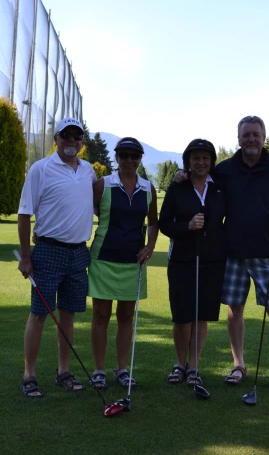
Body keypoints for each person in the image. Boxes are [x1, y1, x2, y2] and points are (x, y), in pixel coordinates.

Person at [216, 116, 269, 397]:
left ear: (263, 138)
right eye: (246, 135)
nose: (251, 139)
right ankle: (238, 365)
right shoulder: (225, 169)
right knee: (234, 308)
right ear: (238, 138)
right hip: (235, 252)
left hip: (268, 252)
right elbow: (201, 184)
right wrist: (182, 175)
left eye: (256, 134)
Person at [17, 117, 96, 398]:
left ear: (82, 142)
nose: (71, 141)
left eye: (77, 136)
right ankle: (29, 374)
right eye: (66, 136)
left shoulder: (88, 171)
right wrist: (26, 256)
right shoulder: (41, 169)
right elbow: (25, 213)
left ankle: (63, 371)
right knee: (39, 314)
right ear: (56, 139)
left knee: (68, 316)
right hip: (48, 250)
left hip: (78, 253)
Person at [88, 137, 158, 390]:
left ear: (140, 159)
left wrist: (150, 246)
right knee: (101, 316)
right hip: (103, 258)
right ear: (116, 157)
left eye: (134, 156)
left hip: (133, 260)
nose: (129, 160)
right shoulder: (102, 184)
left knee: (126, 317)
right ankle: (99, 370)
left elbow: (152, 221)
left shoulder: (148, 188)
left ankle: (121, 369)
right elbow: (88, 210)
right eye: (124, 155)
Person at [158, 139, 226, 387]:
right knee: (182, 316)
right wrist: (186, 227)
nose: (201, 162)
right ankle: (180, 363)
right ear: (188, 161)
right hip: (182, 260)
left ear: (211, 161)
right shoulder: (178, 187)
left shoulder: (219, 186)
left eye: (205, 158)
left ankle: (194, 365)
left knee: (201, 315)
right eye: (195, 158)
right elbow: (164, 223)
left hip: (211, 259)